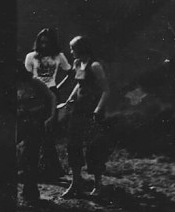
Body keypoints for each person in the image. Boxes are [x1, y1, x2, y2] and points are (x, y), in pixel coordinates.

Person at [58, 35, 110, 198]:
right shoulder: (77, 63)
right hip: (78, 109)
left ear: (81, 48)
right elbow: (79, 84)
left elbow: (106, 90)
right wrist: (68, 101)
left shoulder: (95, 66)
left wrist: (98, 109)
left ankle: (98, 185)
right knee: (73, 145)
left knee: (93, 148)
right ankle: (76, 183)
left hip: (92, 111)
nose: (71, 51)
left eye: (73, 48)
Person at [24, 28, 72, 180]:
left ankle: (52, 170)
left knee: (49, 132)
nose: (44, 45)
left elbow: (71, 73)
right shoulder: (31, 56)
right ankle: (32, 168)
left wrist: (57, 87)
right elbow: (26, 78)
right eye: (41, 42)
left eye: (47, 42)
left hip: (51, 92)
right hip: (35, 94)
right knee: (33, 131)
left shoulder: (59, 56)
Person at [16, 65, 56, 203]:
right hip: (20, 122)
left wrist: (51, 117)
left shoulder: (35, 83)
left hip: (35, 123)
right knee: (19, 156)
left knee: (31, 156)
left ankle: (31, 192)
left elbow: (51, 97)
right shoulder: (11, 85)